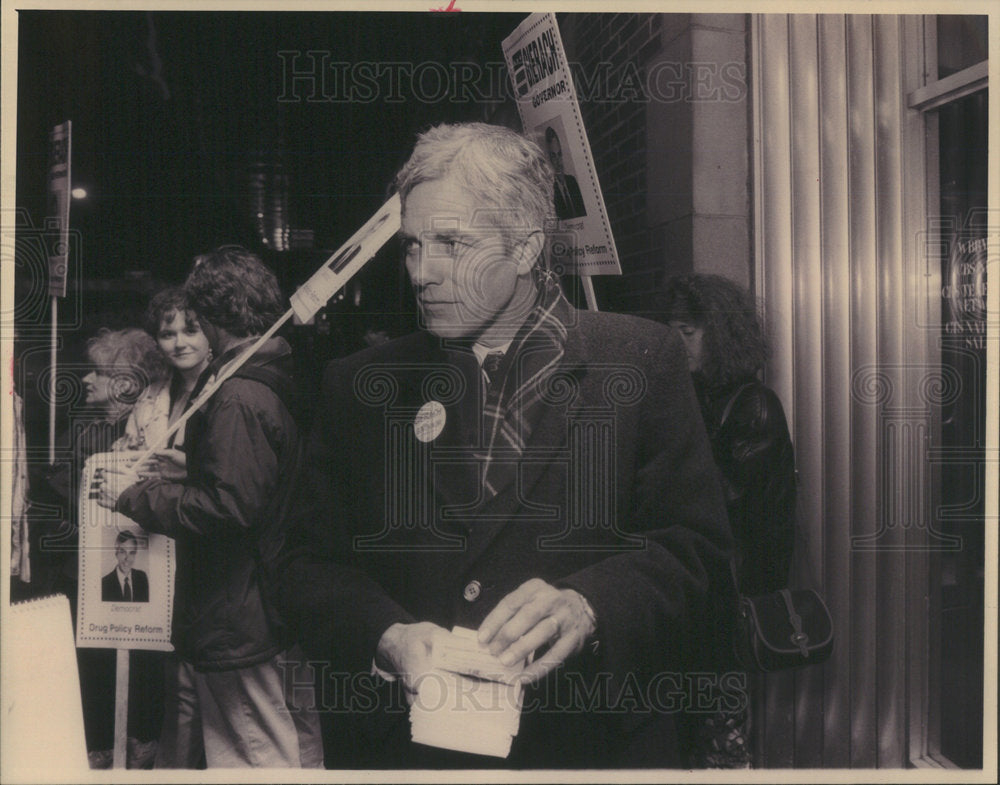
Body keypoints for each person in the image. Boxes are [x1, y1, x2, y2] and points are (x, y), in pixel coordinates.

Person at [274, 122, 733, 769]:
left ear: (524, 248)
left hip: (585, 749)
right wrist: (385, 634)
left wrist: (589, 605)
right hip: (405, 755)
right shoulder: (359, 386)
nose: (421, 272)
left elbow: (698, 554)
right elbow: (300, 564)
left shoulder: (638, 361)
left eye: (451, 244)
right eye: (410, 246)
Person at [98, 247, 323, 769]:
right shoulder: (273, 373)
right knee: (297, 744)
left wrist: (133, 496)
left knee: (252, 754)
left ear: (214, 316)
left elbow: (227, 511)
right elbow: (257, 487)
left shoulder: (238, 394)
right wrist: (191, 469)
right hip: (271, 600)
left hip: (238, 613)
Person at [661, 272, 797, 768]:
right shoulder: (700, 395)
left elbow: (720, 503)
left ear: (718, 334)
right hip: (699, 595)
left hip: (729, 601)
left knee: (722, 739)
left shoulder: (756, 407)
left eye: (688, 332)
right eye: (672, 329)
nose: (677, 342)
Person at [31, 327, 170, 768]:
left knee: (99, 676)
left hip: (95, 579)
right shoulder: (95, 431)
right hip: (98, 575)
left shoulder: (119, 442)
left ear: (127, 382)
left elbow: (69, 505)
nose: (86, 380)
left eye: (98, 372)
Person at [545, 126, 586, 220]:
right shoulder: (551, 190)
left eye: (559, 154)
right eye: (553, 156)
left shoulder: (572, 181)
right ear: (549, 159)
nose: (558, 161)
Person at [102, 531, 149, 602]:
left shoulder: (142, 578)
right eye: (123, 552)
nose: (127, 559)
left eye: (131, 553)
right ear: (116, 554)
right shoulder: (105, 583)